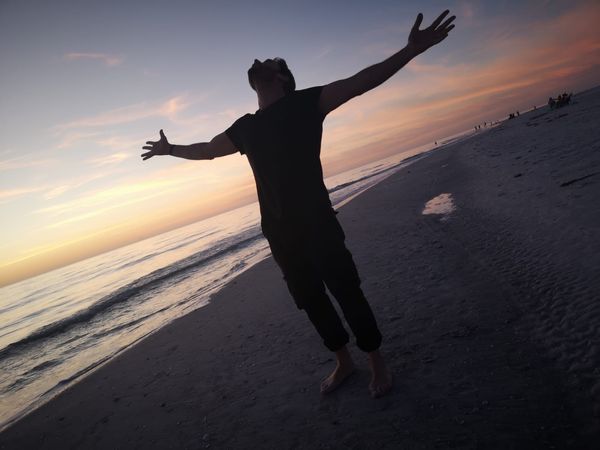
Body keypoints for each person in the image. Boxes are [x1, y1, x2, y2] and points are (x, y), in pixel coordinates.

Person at [141, 10, 455, 398]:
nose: (260, 60)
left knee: (346, 289)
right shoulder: (245, 127)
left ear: (281, 78)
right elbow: (207, 150)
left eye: (270, 61)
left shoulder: (306, 103)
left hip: (317, 221)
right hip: (279, 232)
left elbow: (360, 83)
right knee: (309, 298)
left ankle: (376, 360)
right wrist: (171, 149)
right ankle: (343, 360)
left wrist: (410, 51)